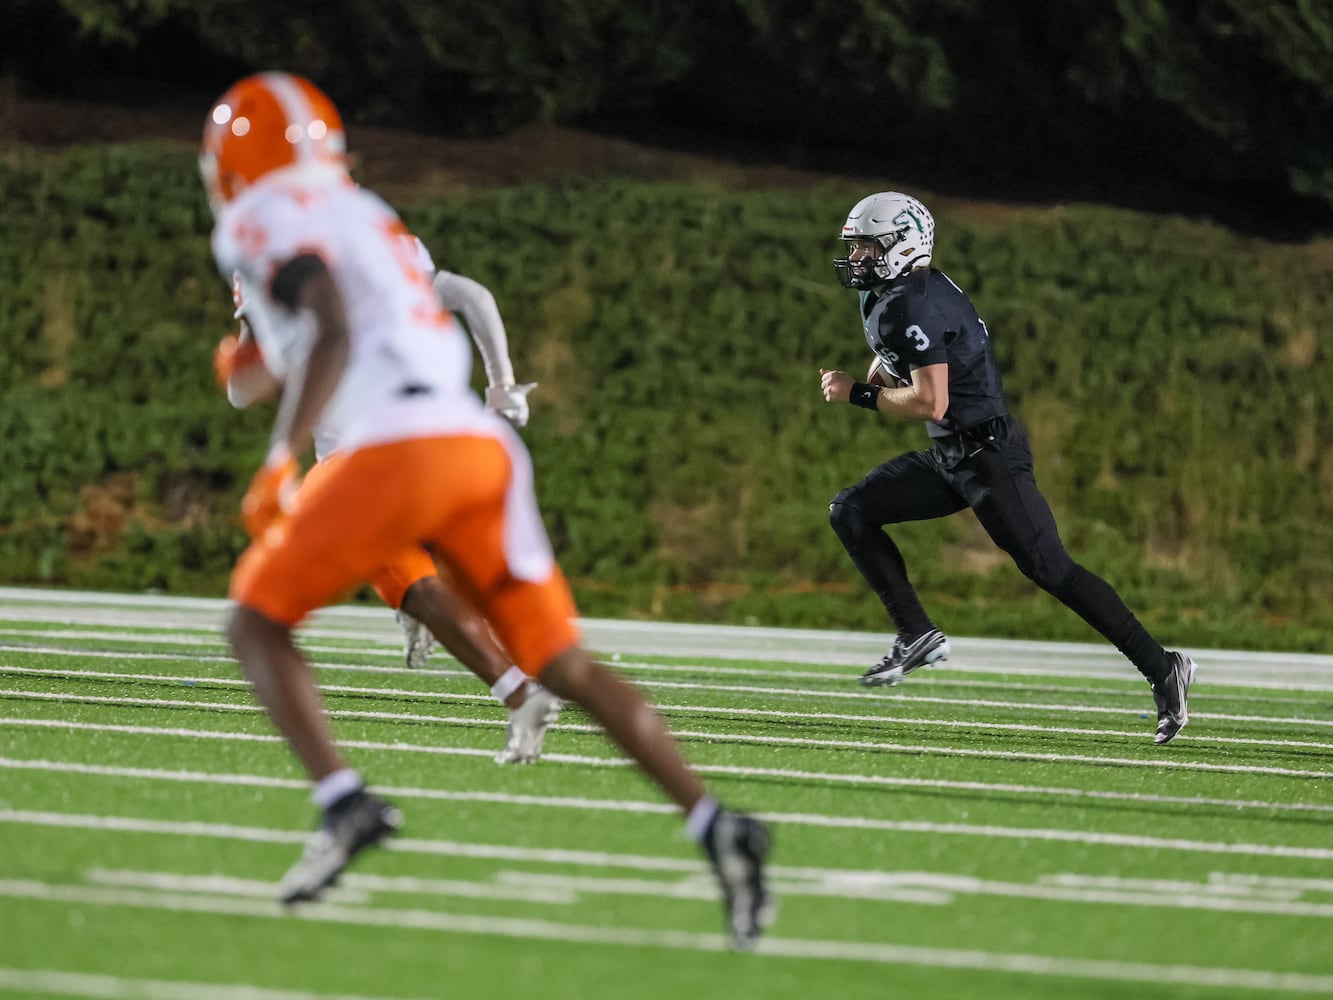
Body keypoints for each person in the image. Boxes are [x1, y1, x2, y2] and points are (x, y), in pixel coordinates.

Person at [199, 71, 772, 947]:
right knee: (564, 663)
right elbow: (351, 320)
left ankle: (344, 804)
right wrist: (259, 367)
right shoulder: (367, 210)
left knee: (254, 622)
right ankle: (715, 823)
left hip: (391, 450)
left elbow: (333, 325)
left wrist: (279, 453)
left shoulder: (262, 218)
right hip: (476, 446)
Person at [819, 190, 1197, 745]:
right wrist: (883, 368)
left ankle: (1164, 669)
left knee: (1053, 571)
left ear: (902, 246)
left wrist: (857, 393)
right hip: (953, 454)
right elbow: (919, 351)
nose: (857, 259)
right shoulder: (899, 294)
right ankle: (916, 633)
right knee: (850, 510)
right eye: (855, 249)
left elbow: (932, 402)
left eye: (868, 247)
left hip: (988, 457)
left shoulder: (910, 302)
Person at [218, 256, 558, 766]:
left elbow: (244, 389)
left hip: (370, 457)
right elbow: (471, 296)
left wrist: (251, 387)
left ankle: (344, 792)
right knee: (458, 578)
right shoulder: (361, 239)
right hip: (443, 435)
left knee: (260, 612)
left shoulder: (294, 250)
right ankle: (523, 684)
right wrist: (502, 387)